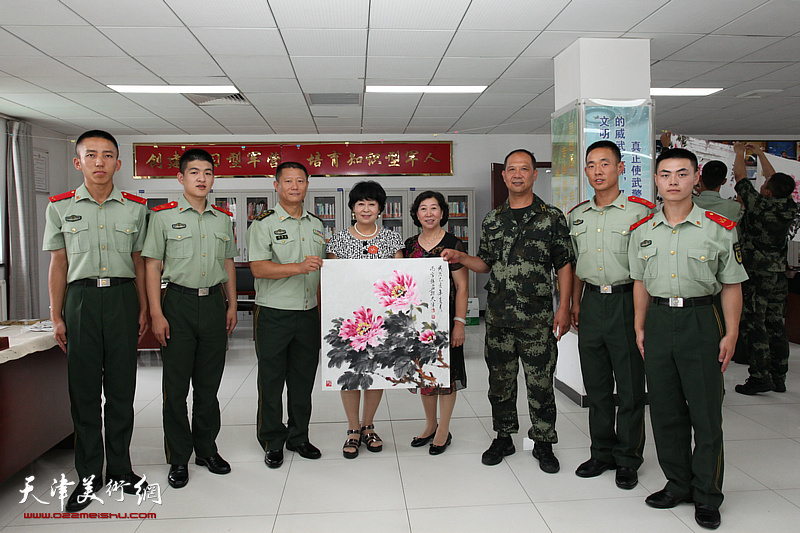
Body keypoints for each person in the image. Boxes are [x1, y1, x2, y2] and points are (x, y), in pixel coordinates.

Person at [629, 147, 747, 530]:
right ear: (656, 181)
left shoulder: (719, 227)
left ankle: (708, 494)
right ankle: (678, 483)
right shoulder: (643, 230)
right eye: (665, 174)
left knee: (706, 412)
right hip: (659, 320)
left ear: (696, 178)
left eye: (682, 174)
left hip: (701, 318)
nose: (673, 181)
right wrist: (640, 326)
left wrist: (731, 332)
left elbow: (732, 284)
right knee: (665, 410)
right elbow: (640, 282)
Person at [441, 149, 573, 473]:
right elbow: (485, 263)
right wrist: (461, 258)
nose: (517, 174)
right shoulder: (493, 220)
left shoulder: (551, 217)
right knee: (500, 383)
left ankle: (544, 441)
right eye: (511, 169)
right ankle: (504, 437)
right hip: (499, 319)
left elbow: (564, 264)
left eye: (524, 169)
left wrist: (565, 307)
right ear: (503, 176)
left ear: (534, 174)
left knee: (540, 384)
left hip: (537, 319)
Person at [43, 130, 149, 512]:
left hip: (122, 298)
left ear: (118, 163)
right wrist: (55, 315)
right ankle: (88, 476)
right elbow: (58, 264)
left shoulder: (136, 208)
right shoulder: (59, 207)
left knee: (121, 391)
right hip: (81, 300)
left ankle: (120, 469)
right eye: (91, 155)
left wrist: (143, 308)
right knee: (84, 393)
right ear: (78, 162)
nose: (99, 162)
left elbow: (139, 263)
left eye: (107, 155)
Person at [142, 149, 238, 488]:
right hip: (177, 304)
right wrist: (156, 312)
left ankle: (207, 449)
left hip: (212, 303)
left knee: (208, 386)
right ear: (180, 177)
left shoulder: (222, 219)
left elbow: (228, 263)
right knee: (176, 387)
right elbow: (152, 266)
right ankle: (178, 457)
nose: (202, 178)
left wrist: (231, 305)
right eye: (194, 172)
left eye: (208, 172)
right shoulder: (163, 217)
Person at [567, 140, 652, 489]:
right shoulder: (577, 216)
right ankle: (602, 452)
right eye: (591, 165)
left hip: (627, 301)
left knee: (630, 387)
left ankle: (628, 458)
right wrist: (575, 303)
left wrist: (641, 317)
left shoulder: (641, 212)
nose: (597, 171)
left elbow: (646, 268)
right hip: (591, 303)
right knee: (597, 386)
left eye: (604, 163)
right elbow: (575, 265)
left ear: (620, 168)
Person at [247, 161, 327, 469]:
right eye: (288, 181)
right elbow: (258, 267)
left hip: (307, 313)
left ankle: (299, 436)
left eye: (300, 181)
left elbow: (322, 270)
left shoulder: (316, 224)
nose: (295, 186)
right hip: (274, 313)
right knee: (271, 381)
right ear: (276, 185)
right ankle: (272, 440)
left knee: (302, 380)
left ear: (307, 184)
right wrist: (298, 267)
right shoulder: (263, 223)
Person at [326, 180, 405, 459]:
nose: (366, 208)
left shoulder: (392, 239)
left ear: (381, 208)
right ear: (352, 208)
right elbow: (332, 279)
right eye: (361, 203)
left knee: (375, 371)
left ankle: (368, 425)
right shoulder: (338, 239)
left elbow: (399, 279)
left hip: (382, 318)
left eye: (372, 203)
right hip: (348, 318)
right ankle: (352, 428)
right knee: (350, 372)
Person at [403, 191, 469, 455]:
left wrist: (459, 323)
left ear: (442, 213)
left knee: (446, 374)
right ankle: (430, 425)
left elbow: (462, 287)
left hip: (446, 320)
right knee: (424, 374)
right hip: (417, 322)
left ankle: (443, 428)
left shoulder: (453, 244)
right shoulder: (409, 246)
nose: (428, 213)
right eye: (423, 208)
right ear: (416, 214)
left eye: (434, 208)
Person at [732, 142, 798, 394]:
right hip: (778, 274)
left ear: (768, 192)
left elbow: (740, 177)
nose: (763, 184)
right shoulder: (789, 206)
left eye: (765, 185)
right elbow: (775, 179)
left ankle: (760, 377)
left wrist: (740, 154)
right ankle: (779, 376)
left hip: (756, 273)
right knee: (775, 323)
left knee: (755, 324)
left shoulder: (758, 205)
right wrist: (759, 154)